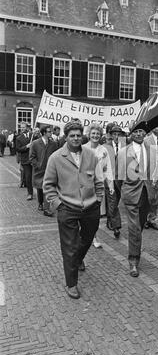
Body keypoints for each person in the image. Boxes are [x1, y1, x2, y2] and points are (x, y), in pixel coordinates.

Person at [43, 120, 104, 299]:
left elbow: (98, 180)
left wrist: (99, 198)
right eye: (72, 136)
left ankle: (77, 260)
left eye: (78, 135)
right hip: (67, 208)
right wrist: (58, 205)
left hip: (91, 207)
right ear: (66, 137)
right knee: (69, 247)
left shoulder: (91, 155)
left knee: (86, 239)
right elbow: (48, 185)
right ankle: (72, 283)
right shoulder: (55, 157)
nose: (76, 138)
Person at [117, 127, 150, 277]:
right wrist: (125, 190)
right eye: (135, 131)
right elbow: (118, 177)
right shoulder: (123, 152)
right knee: (134, 229)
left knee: (140, 226)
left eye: (141, 131)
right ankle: (133, 260)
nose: (138, 134)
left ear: (145, 133)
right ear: (131, 134)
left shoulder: (152, 149)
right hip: (131, 194)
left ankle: (135, 247)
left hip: (147, 193)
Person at [83, 123, 114, 248]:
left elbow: (107, 169)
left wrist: (110, 185)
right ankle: (86, 234)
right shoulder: (82, 148)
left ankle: (94, 236)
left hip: (99, 186)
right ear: (89, 135)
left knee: (96, 214)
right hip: (85, 185)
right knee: (84, 211)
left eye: (97, 134)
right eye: (93, 133)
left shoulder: (104, 150)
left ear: (100, 135)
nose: (95, 136)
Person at [29, 125, 58, 216]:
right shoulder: (35, 143)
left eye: (51, 131)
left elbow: (56, 156)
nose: (51, 133)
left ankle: (46, 209)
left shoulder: (53, 144)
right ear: (44, 133)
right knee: (40, 188)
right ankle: (40, 203)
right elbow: (31, 157)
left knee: (47, 188)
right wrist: (38, 165)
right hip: (39, 171)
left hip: (49, 170)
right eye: (49, 131)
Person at [103, 124, 126, 238]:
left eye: (118, 134)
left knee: (115, 201)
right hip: (109, 179)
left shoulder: (124, 146)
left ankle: (109, 219)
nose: (116, 137)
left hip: (121, 179)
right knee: (112, 201)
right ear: (111, 135)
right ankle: (116, 226)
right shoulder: (105, 147)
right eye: (114, 134)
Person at [16, 123, 33, 200]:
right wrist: (26, 146)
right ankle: (30, 193)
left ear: (27, 127)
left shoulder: (33, 135)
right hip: (25, 160)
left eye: (23, 127)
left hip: (34, 159)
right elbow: (18, 149)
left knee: (36, 176)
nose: (22, 128)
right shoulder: (18, 138)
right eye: (21, 127)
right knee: (28, 177)